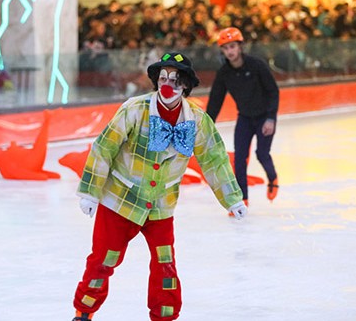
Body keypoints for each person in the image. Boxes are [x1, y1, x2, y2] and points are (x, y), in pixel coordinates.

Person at [72, 52, 247, 321]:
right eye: (164, 78)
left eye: (175, 81)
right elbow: (104, 148)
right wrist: (90, 191)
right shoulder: (135, 109)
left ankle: (164, 317)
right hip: (120, 200)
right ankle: (83, 312)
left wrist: (232, 198)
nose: (168, 85)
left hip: (161, 206)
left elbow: (214, 158)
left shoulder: (197, 120)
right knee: (103, 261)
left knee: (165, 265)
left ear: (185, 86)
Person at [206, 27, 280, 206]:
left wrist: (270, 118)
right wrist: (207, 124)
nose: (230, 51)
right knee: (239, 158)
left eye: (232, 46)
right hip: (245, 118)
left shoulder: (257, 65)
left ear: (240, 47)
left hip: (264, 117)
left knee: (262, 154)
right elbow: (216, 100)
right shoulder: (224, 73)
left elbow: (273, 91)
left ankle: (273, 179)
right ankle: (241, 200)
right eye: (226, 48)